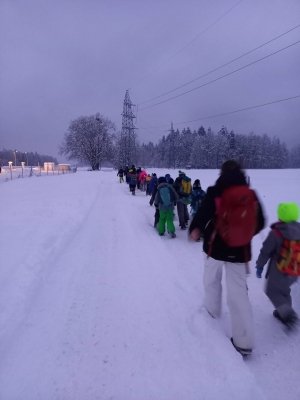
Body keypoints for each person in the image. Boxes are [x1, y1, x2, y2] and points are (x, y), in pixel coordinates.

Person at [189, 160, 265, 356]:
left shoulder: (215, 191)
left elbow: (203, 213)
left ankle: (212, 311)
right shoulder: (251, 194)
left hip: (215, 248)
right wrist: (243, 234)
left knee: (211, 281)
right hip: (240, 252)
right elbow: (261, 221)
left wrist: (195, 229)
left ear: (221, 173)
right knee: (239, 294)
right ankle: (244, 341)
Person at [255, 202, 300, 330]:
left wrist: (259, 266)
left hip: (279, 270)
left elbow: (265, 251)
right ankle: (283, 311)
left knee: (272, 291)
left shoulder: (276, 233)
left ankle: (288, 315)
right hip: (295, 270)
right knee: (285, 290)